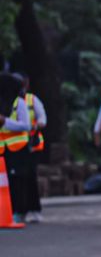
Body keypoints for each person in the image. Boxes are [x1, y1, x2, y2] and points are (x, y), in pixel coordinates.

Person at [0, 73, 31, 224]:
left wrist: (5, 121)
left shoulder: (19, 103)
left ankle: (19, 211)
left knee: (17, 181)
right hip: (2, 150)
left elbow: (26, 125)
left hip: (17, 149)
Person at [19, 74, 46, 222]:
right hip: (13, 146)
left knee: (30, 176)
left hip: (32, 145)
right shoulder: (7, 100)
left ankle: (34, 209)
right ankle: (19, 210)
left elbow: (42, 119)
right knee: (17, 179)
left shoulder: (32, 100)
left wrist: (36, 125)